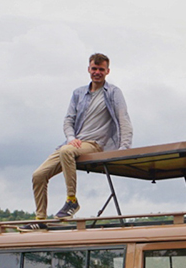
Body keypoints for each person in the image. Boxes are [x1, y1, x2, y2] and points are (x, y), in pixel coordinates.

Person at [31, 53, 133, 222]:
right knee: (38, 175)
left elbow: (124, 120)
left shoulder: (113, 93)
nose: (97, 72)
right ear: (88, 69)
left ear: (108, 71)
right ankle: (40, 218)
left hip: (95, 144)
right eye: (94, 68)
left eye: (101, 69)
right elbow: (68, 120)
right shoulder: (78, 93)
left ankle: (71, 200)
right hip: (74, 143)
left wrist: (124, 149)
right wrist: (71, 137)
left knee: (66, 151)